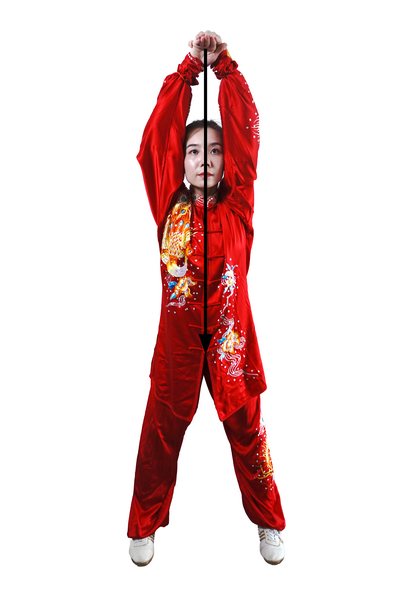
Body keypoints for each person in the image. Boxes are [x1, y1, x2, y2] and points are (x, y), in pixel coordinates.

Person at [127, 31, 286, 566]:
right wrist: (186, 73)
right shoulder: (167, 203)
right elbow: (156, 139)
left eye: (214, 151)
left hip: (231, 345)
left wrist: (224, 71)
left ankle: (269, 522)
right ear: (182, 160)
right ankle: (144, 524)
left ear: (226, 160)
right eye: (194, 151)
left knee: (249, 434)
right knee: (159, 434)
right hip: (177, 345)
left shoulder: (239, 204)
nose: (204, 159)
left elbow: (246, 129)